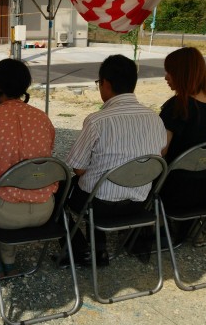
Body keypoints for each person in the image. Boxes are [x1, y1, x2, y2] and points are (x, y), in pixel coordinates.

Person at [57, 55, 166, 267]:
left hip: (98, 206)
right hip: (139, 204)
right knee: (96, 186)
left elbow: (78, 169)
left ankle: (82, 251)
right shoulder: (155, 118)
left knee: (57, 191)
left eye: (99, 83)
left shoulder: (97, 121)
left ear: (105, 83)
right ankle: (99, 249)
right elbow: (158, 155)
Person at [0, 58, 57, 278]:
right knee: (11, 185)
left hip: (3, 213)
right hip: (45, 209)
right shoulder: (43, 119)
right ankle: (8, 260)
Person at [158, 47, 206, 242]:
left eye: (170, 71)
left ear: (181, 73)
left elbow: (160, 151)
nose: (166, 77)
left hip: (176, 190)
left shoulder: (177, 106)